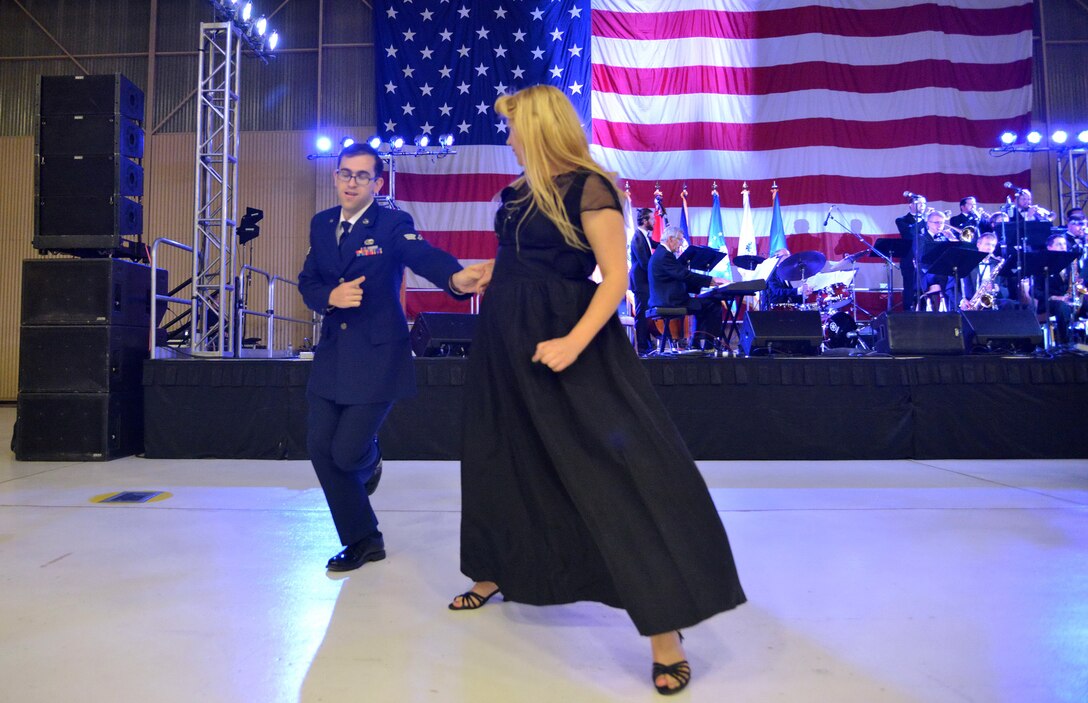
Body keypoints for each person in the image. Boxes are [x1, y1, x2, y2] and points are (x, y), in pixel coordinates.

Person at [451, 85, 746, 695]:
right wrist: (483, 273)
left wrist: (572, 343)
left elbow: (613, 280)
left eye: (513, 127)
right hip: (503, 336)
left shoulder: (590, 187)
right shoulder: (512, 195)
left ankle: (666, 632)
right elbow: (516, 261)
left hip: (569, 338)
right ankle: (496, 568)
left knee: (617, 473)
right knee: (499, 455)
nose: (507, 137)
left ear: (539, 128)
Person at [297, 142, 488, 573]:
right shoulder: (321, 224)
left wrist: (456, 277)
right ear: (335, 176)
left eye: (362, 176)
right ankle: (364, 539)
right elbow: (307, 281)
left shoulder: (391, 223)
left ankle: (370, 458)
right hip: (332, 355)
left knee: (347, 455)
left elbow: (422, 255)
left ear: (377, 183)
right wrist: (330, 296)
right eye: (346, 173)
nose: (352, 182)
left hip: (377, 355)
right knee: (319, 448)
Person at [648, 225, 726, 350]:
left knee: (703, 303)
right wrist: (711, 281)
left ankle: (696, 343)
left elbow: (676, 279)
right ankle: (707, 345)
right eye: (679, 240)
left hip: (667, 298)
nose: (680, 244)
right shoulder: (664, 255)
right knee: (713, 304)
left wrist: (704, 285)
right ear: (670, 239)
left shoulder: (660, 254)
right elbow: (683, 274)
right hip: (670, 301)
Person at [1031, 233, 1075, 344]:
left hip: (1071, 299)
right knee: (1062, 307)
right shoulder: (1042, 265)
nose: (1063, 246)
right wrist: (1055, 297)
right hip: (1049, 302)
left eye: (1064, 244)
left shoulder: (1071, 264)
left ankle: (1084, 343)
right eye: (1059, 244)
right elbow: (1034, 291)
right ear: (1049, 247)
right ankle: (1066, 343)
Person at [959, 232, 1014, 310]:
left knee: (1009, 304)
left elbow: (1006, 290)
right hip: (971, 303)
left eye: (993, 245)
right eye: (987, 244)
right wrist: (962, 300)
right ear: (978, 245)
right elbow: (953, 287)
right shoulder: (968, 264)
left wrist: (997, 289)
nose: (990, 248)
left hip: (991, 301)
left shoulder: (997, 265)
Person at [629, 207, 656, 354]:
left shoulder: (644, 236)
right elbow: (645, 263)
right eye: (652, 219)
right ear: (645, 221)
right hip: (640, 281)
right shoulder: (638, 237)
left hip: (643, 281)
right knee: (641, 314)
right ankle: (641, 347)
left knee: (644, 313)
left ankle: (646, 344)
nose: (654, 220)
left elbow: (654, 244)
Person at [894, 194, 927, 310]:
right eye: (920, 203)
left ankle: (924, 313)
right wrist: (924, 221)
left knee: (924, 288)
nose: (923, 206)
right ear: (911, 205)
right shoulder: (901, 220)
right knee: (909, 288)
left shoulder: (927, 220)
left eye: (924, 203)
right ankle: (907, 315)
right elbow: (909, 232)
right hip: (909, 259)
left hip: (925, 260)